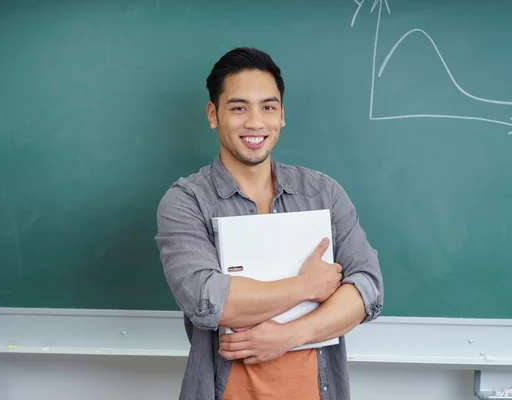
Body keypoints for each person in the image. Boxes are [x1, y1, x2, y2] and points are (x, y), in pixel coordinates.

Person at [155, 47, 383, 400]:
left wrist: (290, 335)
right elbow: (210, 302)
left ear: (282, 116)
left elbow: (367, 290)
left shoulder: (324, 193)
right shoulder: (187, 201)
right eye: (239, 107)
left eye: (268, 107)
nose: (255, 122)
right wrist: (307, 286)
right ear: (213, 114)